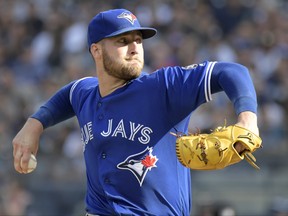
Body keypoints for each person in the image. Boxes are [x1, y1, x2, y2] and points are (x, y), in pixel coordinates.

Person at [13, 8, 260, 216]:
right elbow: (68, 94)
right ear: (96, 51)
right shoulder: (85, 93)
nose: (134, 48)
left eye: (138, 40)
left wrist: (247, 118)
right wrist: (34, 124)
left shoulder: (162, 87)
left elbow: (233, 72)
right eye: (122, 41)